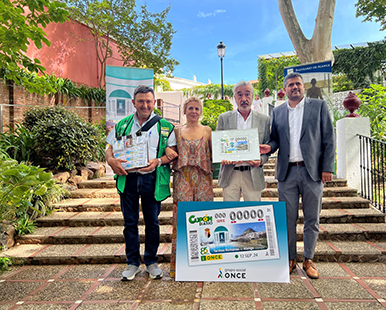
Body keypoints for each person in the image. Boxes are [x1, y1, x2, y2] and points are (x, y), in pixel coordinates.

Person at [260, 72, 334, 279]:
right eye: (291, 84)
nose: (295, 87)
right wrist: (269, 147)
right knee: (287, 218)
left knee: (312, 218)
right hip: (287, 172)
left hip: (312, 172)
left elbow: (329, 138)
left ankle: (308, 259)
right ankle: (291, 258)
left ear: (303, 87)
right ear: (285, 89)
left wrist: (327, 167)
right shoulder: (279, 111)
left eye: (298, 84)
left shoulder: (318, 107)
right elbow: (275, 139)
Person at [105, 85, 177, 281]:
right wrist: (111, 161)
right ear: (133, 103)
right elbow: (109, 148)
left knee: (152, 222)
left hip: (152, 179)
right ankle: (133, 262)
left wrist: (159, 160)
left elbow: (171, 151)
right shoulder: (122, 125)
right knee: (130, 223)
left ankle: (151, 262)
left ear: (154, 103)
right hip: (127, 178)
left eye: (148, 101)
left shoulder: (165, 126)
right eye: (141, 101)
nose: (145, 105)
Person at [170, 97, 214, 278]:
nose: (194, 111)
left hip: (204, 179)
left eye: (197, 108)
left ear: (200, 111)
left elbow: (215, 153)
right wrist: (167, 151)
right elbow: (170, 150)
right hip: (183, 179)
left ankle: (205, 264)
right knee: (181, 220)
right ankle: (180, 265)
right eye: (190, 108)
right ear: (184, 111)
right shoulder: (177, 131)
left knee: (205, 221)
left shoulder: (208, 131)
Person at [217, 80, 271, 201]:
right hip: (230, 173)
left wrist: (260, 160)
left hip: (253, 173)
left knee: (253, 213)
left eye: (247, 94)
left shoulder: (264, 120)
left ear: (253, 96)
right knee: (229, 212)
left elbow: (267, 148)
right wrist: (222, 157)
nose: (244, 98)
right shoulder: (224, 118)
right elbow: (218, 146)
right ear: (234, 97)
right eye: (240, 95)